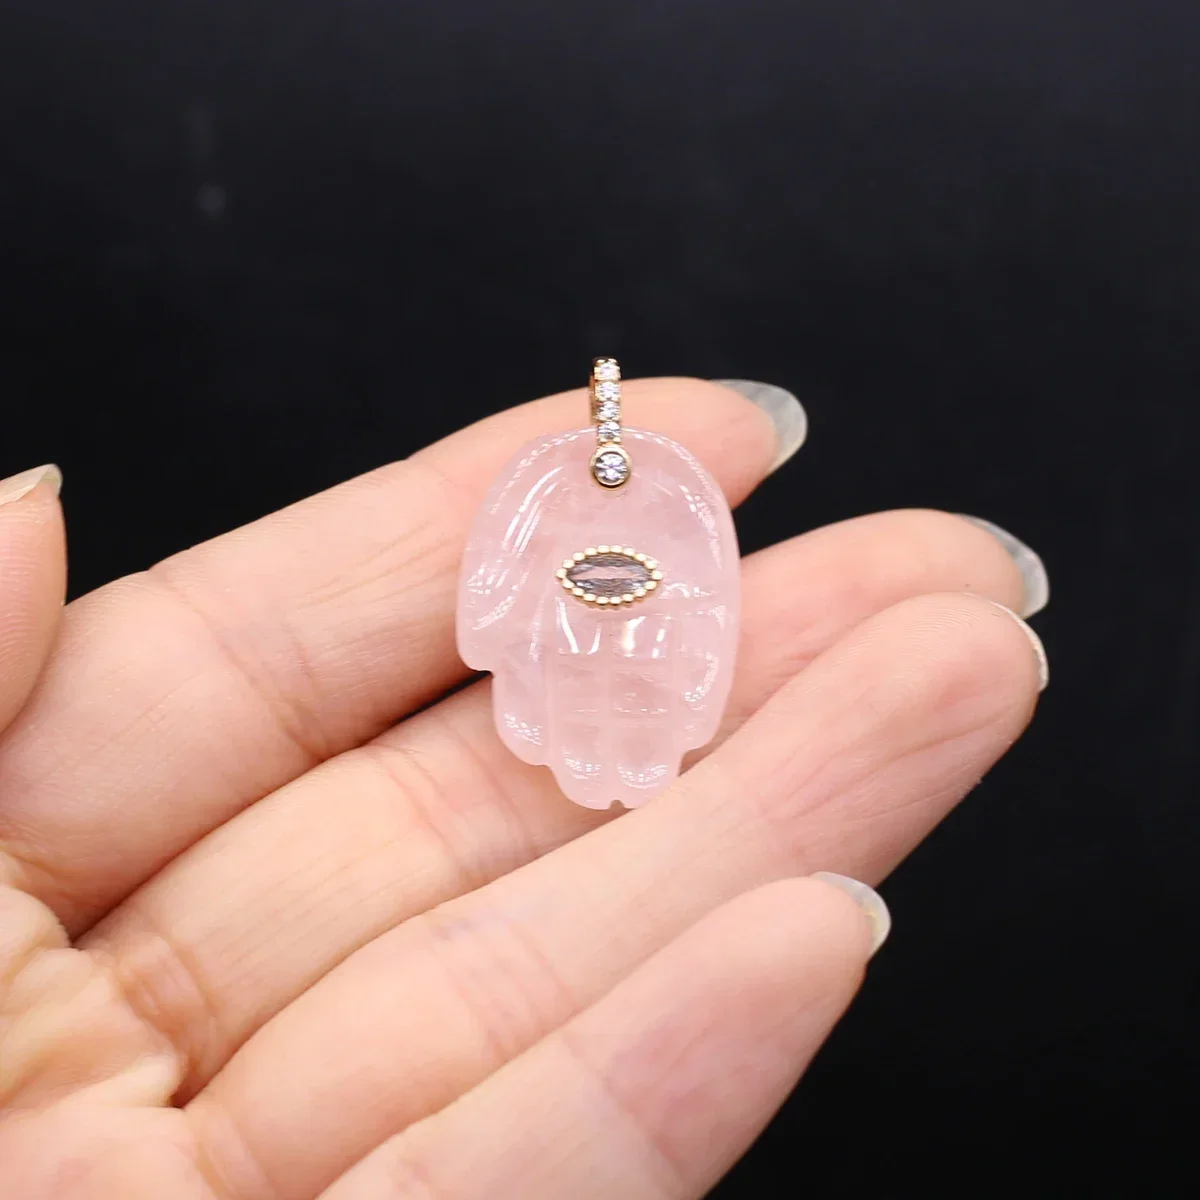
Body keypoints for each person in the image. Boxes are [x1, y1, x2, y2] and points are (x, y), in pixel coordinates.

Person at [0, 378, 1047, 1198]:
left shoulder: (663, 514)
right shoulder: (554, 503)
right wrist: (517, 626)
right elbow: (517, 600)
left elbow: (664, 610)